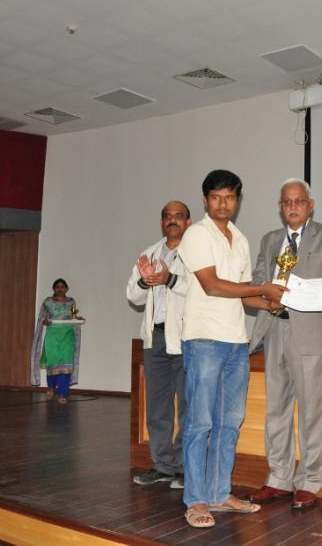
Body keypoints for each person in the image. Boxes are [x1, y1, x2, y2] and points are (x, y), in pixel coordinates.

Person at [176, 169, 287, 528]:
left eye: (229, 197)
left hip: (237, 342)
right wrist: (263, 289)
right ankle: (196, 500)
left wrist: (271, 303)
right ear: (205, 200)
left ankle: (219, 493)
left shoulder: (239, 238)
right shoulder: (196, 234)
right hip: (204, 340)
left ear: (238, 200)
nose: (223, 204)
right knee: (200, 423)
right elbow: (212, 286)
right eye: (216, 197)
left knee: (230, 422)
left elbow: (241, 294)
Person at [247, 178, 322, 509]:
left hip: (311, 332)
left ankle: (309, 481)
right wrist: (268, 293)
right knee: (276, 409)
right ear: (280, 207)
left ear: (311, 205)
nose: (293, 207)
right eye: (287, 202)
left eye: (299, 201)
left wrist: (297, 294)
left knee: (311, 412)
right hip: (274, 328)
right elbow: (257, 281)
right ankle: (278, 477)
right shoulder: (270, 240)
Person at [126, 200, 192, 490]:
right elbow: (133, 296)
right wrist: (144, 281)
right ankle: (163, 465)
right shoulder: (150, 253)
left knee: (187, 407)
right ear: (162, 222)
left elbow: (201, 291)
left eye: (179, 216)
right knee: (157, 407)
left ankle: (184, 469)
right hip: (155, 338)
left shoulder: (196, 252)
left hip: (187, 338)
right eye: (167, 216)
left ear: (188, 222)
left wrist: (169, 279)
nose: (172, 220)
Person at [30, 278, 83, 405]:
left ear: (66, 289)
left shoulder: (71, 302)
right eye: (57, 287)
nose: (60, 289)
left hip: (67, 335)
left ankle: (63, 394)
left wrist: (77, 318)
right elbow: (42, 318)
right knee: (52, 363)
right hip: (52, 335)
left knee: (66, 364)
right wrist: (45, 321)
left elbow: (73, 316)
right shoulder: (48, 302)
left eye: (62, 287)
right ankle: (51, 387)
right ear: (54, 289)